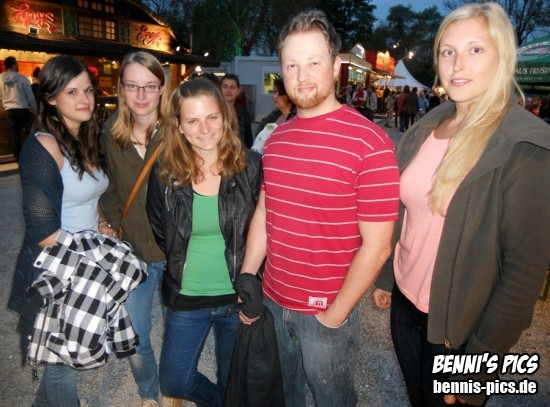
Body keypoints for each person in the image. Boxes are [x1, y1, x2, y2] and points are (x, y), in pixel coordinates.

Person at [373, 3, 550, 407]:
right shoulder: (428, 125)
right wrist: (386, 277)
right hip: (405, 309)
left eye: (475, 49)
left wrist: (478, 369)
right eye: (448, 51)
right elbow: (405, 212)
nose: (457, 64)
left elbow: (523, 272)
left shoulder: (524, 144)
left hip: (459, 333)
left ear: (502, 57)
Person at [238, 10, 400, 406]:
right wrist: (247, 278)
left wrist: (335, 315)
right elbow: (265, 213)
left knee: (333, 399)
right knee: (287, 395)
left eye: (313, 62)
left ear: (335, 65)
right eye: (291, 64)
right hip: (273, 299)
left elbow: (378, 245)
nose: (302, 75)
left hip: (326, 310)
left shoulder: (370, 143)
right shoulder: (276, 139)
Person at [146, 78, 262, 406]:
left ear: (225, 116)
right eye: (193, 120)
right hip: (187, 295)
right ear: (179, 125)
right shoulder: (165, 172)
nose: (205, 128)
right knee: (175, 380)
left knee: (232, 379)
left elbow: (261, 231)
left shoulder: (251, 166)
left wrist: (251, 288)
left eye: (212, 117)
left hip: (235, 297)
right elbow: (161, 228)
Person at [7, 55, 108, 406]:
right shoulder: (43, 146)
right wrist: (95, 259)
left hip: (84, 261)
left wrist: (103, 224)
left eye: (88, 90)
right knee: (64, 361)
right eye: (72, 92)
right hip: (59, 268)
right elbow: (43, 229)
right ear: (50, 98)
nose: (85, 99)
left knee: (62, 356)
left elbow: (89, 194)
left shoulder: (84, 138)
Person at [100, 51, 169, 407]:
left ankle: (175, 384)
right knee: (136, 334)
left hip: (176, 252)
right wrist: (111, 223)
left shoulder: (179, 129)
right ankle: (148, 391)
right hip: (135, 253)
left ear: (162, 88)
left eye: (150, 86)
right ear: (121, 88)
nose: (141, 96)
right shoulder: (110, 133)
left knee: (179, 331)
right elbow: (109, 188)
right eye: (132, 86)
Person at [0, 56, 37, 160]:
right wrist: (35, 111)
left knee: (14, 135)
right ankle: (32, 154)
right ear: (13, 65)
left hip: (9, 111)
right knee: (31, 132)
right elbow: (30, 97)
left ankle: (18, 157)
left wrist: (4, 106)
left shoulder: (0, 79)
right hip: (22, 109)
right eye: (16, 64)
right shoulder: (22, 78)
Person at [252, 77, 296, 154]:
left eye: (278, 93)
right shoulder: (275, 115)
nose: (274, 96)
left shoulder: (295, 119)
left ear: (289, 95)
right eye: (275, 92)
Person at [221, 73, 253, 148]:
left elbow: (248, 140)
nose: (228, 90)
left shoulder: (243, 113)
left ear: (238, 91)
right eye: (225, 87)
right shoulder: (213, 111)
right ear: (220, 89)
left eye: (232, 88)